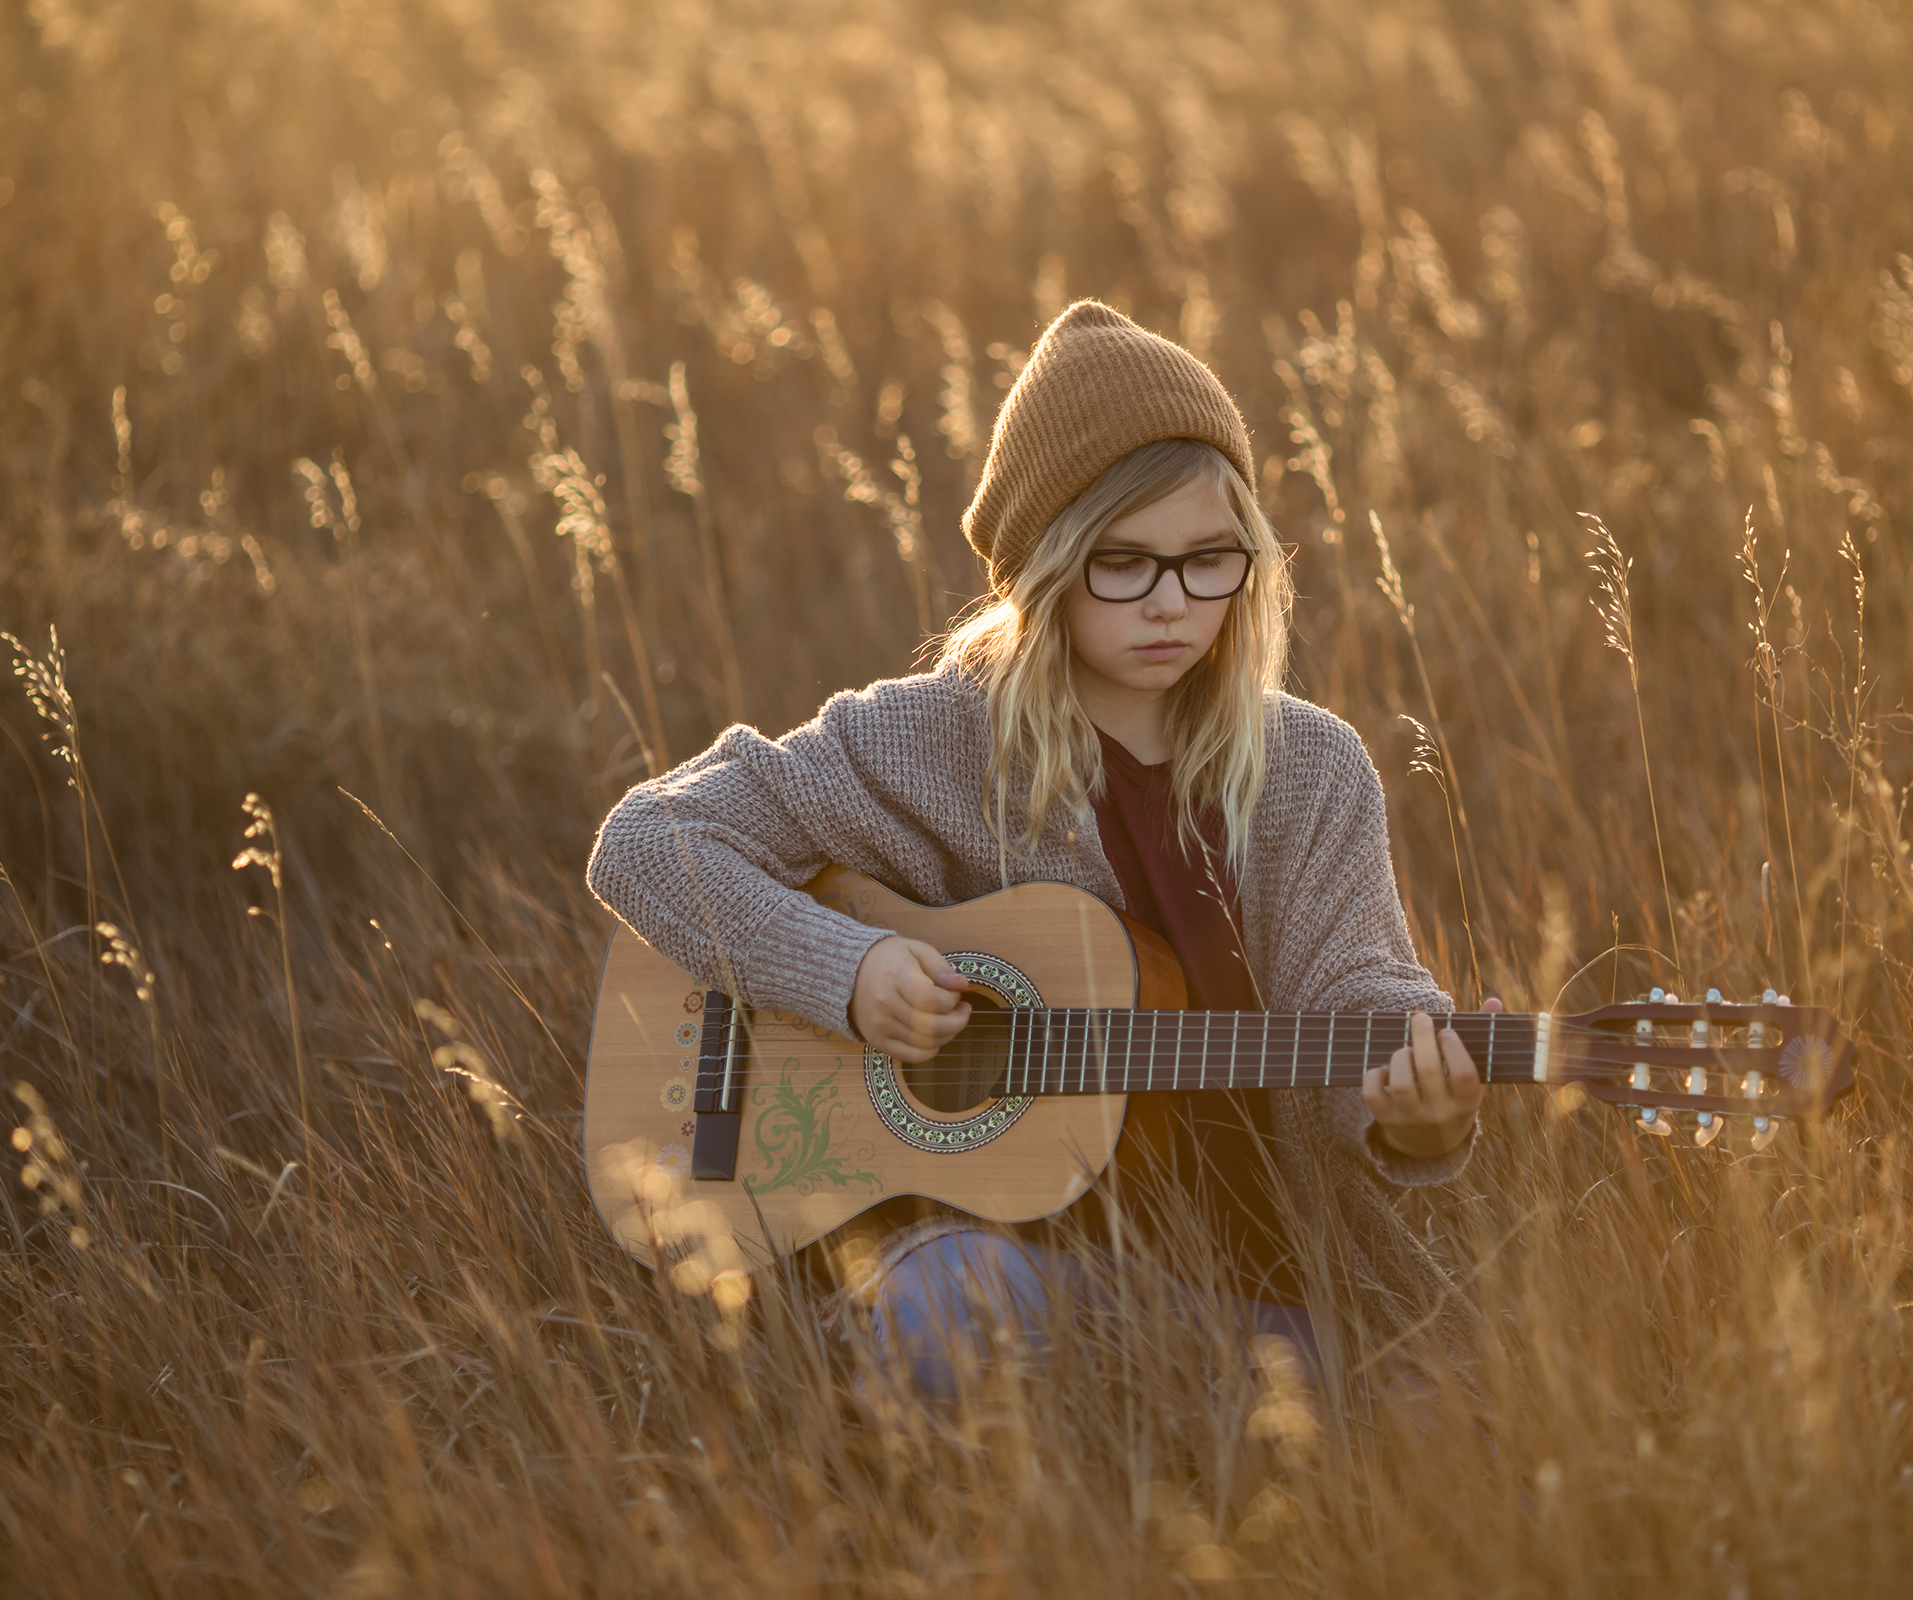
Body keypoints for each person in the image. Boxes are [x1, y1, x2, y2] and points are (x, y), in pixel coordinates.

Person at [587, 301, 1492, 1404]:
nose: (1173, 603)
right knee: (944, 1308)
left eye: (1210, 560)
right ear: (1043, 564)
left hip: (1284, 1278)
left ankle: (1218, 1413)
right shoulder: (928, 737)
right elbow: (648, 839)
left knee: (1441, 1408)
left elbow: (1360, 985)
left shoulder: (1314, 767)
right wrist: (846, 972)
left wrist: (1410, 1112)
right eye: (1125, 564)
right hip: (1009, 1264)